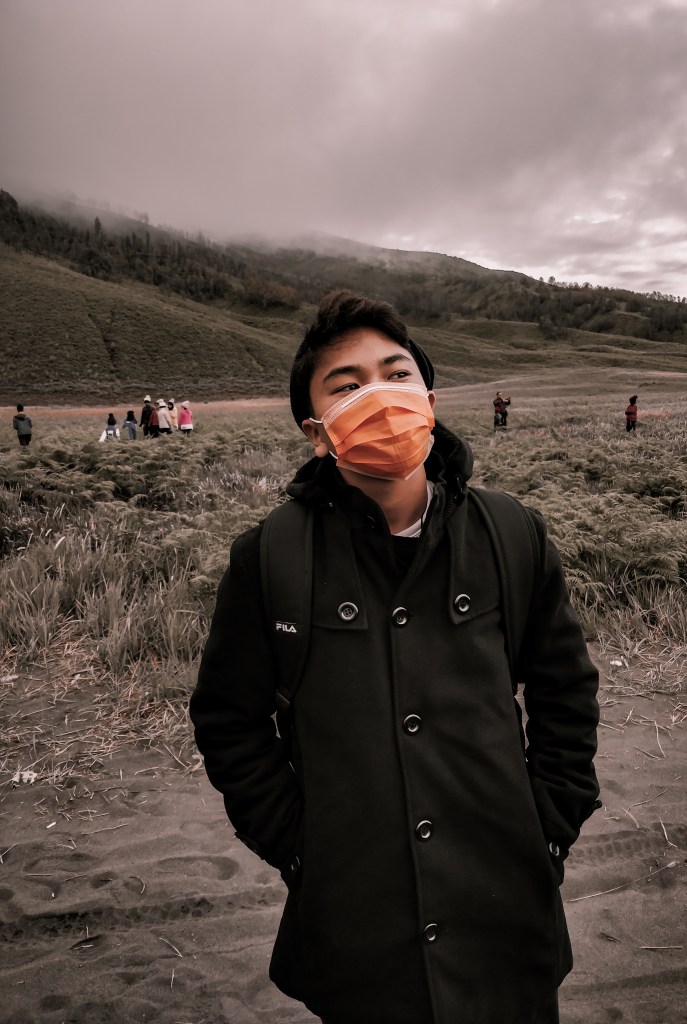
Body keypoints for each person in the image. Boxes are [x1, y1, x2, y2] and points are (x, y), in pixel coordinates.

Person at [190, 290, 600, 1024]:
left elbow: (566, 690)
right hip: (358, 936)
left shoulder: (511, 535)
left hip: (507, 919)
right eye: (347, 385)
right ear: (318, 432)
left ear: (430, 401)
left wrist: (548, 823)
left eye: (397, 373)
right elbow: (228, 721)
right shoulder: (272, 557)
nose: (379, 396)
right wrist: (301, 846)